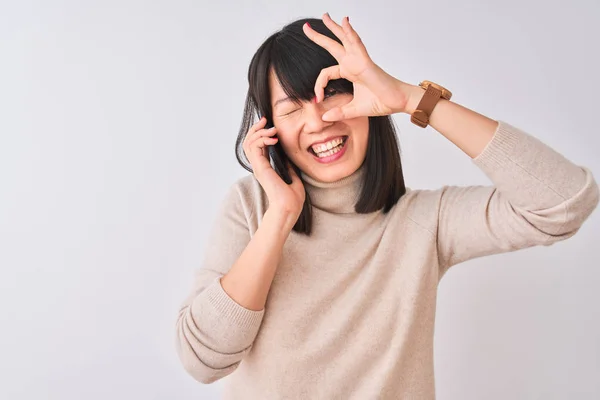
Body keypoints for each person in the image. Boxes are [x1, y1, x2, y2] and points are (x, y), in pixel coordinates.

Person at [174, 14, 599, 399]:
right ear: (270, 130)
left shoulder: (424, 222)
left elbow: (565, 202)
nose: (318, 120)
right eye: (292, 109)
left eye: (332, 93)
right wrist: (280, 216)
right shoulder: (250, 207)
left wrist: (410, 99)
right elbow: (203, 361)